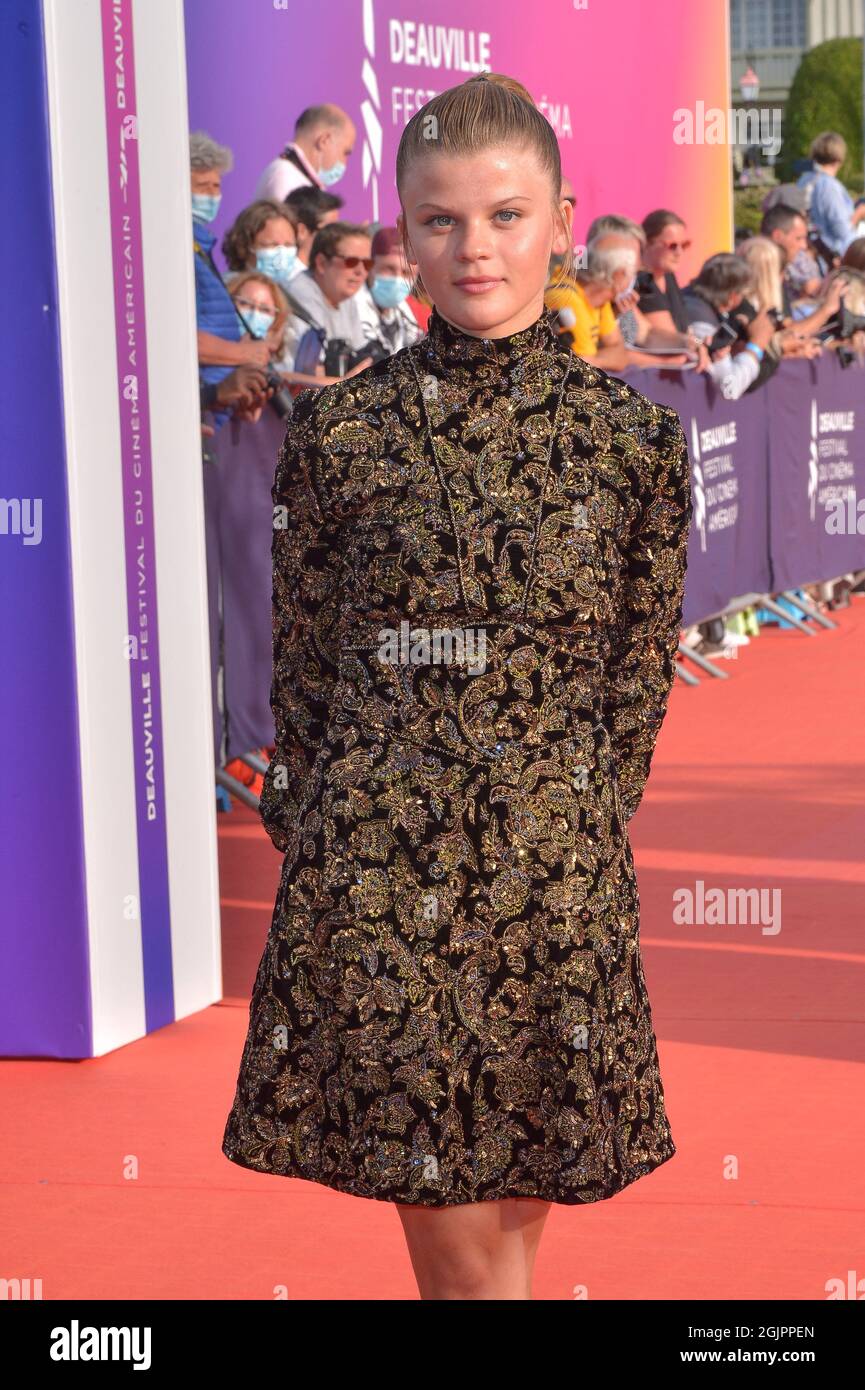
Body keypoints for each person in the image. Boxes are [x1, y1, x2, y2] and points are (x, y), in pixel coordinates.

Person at [221, 70, 691, 1301]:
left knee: (517, 1212)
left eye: (504, 215)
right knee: (463, 1238)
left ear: (558, 216)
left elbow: (637, 679)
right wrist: (325, 839)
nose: (472, 247)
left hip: (552, 876)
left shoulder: (633, 445)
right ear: (401, 234)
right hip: (384, 875)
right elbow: (304, 669)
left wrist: (574, 832)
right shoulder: (338, 436)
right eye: (439, 220)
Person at [682, 254, 777, 399]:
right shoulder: (701, 321)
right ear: (733, 296)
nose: (742, 300)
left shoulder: (692, 300)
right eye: (743, 294)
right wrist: (756, 346)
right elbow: (729, 388)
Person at [544, 235, 632, 370]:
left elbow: (622, 356)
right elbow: (584, 370)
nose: (634, 279)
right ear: (618, 274)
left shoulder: (600, 300)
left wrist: (597, 360)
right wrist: (604, 358)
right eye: (634, 271)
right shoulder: (566, 298)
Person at [254, 103, 356, 203]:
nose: (344, 163)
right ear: (324, 141)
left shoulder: (295, 176)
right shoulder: (286, 178)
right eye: (345, 152)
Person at [354, 225, 426, 354]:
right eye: (389, 269)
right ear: (369, 266)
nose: (398, 279)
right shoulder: (348, 308)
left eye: (406, 273)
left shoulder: (410, 314)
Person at [798, 131, 865, 258]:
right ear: (839, 158)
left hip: (812, 250)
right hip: (832, 256)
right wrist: (858, 213)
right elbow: (842, 231)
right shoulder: (829, 186)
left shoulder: (805, 179)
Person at [636, 208, 693, 334]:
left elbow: (684, 329)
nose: (679, 252)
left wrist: (701, 345)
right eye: (672, 245)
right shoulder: (641, 281)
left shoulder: (668, 276)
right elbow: (670, 337)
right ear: (647, 243)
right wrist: (695, 344)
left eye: (684, 245)